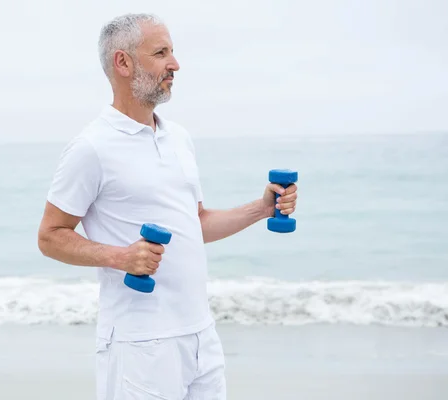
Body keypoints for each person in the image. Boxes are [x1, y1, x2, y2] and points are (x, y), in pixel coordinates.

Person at [37, 13, 298, 400]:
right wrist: (122, 257)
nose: (175, 64)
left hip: (201, 337)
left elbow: (195, 224)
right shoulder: (91, 147)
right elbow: (50, 236)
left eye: (172, 52)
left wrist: (260, 209)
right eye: (161, 53)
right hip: (140, 344)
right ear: (123, 63)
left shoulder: (178, 138)